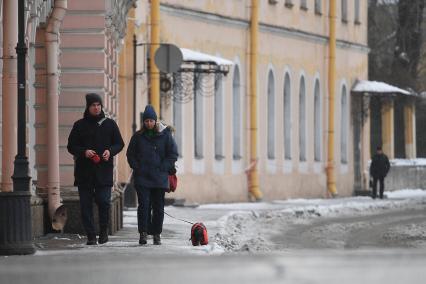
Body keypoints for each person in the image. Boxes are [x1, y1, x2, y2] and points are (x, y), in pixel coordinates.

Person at [67, 93, 124, 245]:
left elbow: (119, 143)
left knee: (104, 202)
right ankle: (91, 235)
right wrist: (84, 152)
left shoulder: (110, 124)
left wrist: (110, 151)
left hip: (103, 172)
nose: (96, 107)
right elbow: (71, 146)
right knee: (86, 205)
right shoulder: (79, 125)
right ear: (88, 107)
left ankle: (104, 231)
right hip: (84, 173)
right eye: (93, 105)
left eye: (98, 105)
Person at [126, 105, 178, 245]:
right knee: (144, 206)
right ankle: (143, 233)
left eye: (151, 121)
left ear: (155, 121)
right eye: (146, 121)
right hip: (142, 177)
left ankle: (156, 233)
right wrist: (136, 166)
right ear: (143, 122)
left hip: (159, 178)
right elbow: (130, 154)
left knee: (158, 207)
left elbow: (173, 154)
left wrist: (164, 167)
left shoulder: (165, 135)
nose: (149, 123)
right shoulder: (138, 136)